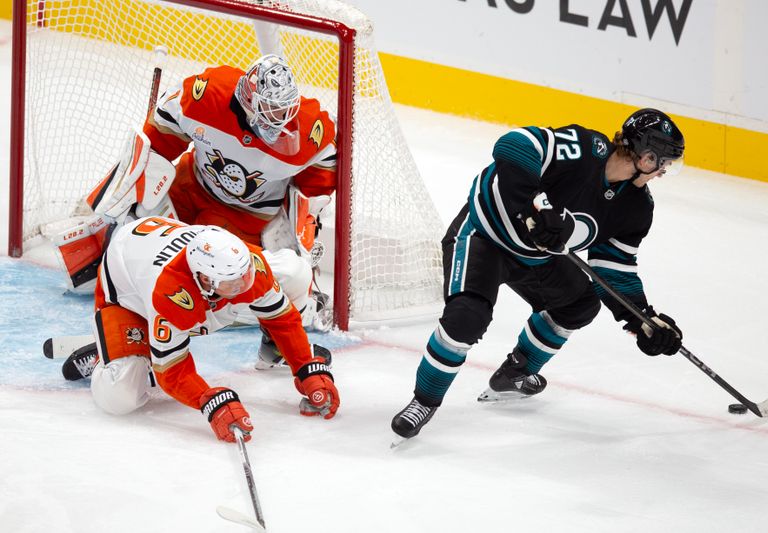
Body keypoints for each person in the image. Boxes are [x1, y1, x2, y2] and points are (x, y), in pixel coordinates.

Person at [390, 108, 685, 442]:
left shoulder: (636, 208)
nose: (662, 172)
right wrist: (535, 206)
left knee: (579, 304)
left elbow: (614, 268)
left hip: (535, 257)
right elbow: (514, 145)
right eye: (663, 163)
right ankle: (424, 401)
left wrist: (643, 319)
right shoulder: (586, 149)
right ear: (646, 157)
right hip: (483, 235)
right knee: (466, 317)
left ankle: (515, 373)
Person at [54, 54, 336, 349]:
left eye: (284, 111)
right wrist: (127, 197)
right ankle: (113, 259)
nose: (279, 121)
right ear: (248, 102)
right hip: (186, 194)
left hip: (243, 225)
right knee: (138, 214)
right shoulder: (207, 94)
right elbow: (157, 140)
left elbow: (315, 188)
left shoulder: (310, 129)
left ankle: (164, 314)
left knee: (237, 276)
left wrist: (302, 226)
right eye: (270, 110)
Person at [60, 216, 340, 443]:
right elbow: (171, 371)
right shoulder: (170, 293)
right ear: (203, 279)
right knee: (120, 396)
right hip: (129, 293)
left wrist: (304, 365)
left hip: (168, 249)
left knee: (296, 272)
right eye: (234, 283)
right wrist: (210, 401)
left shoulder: (247, 268)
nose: (244, 286)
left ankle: (274, 350)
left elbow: (283, 318)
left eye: (246, 276)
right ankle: (109, 357)